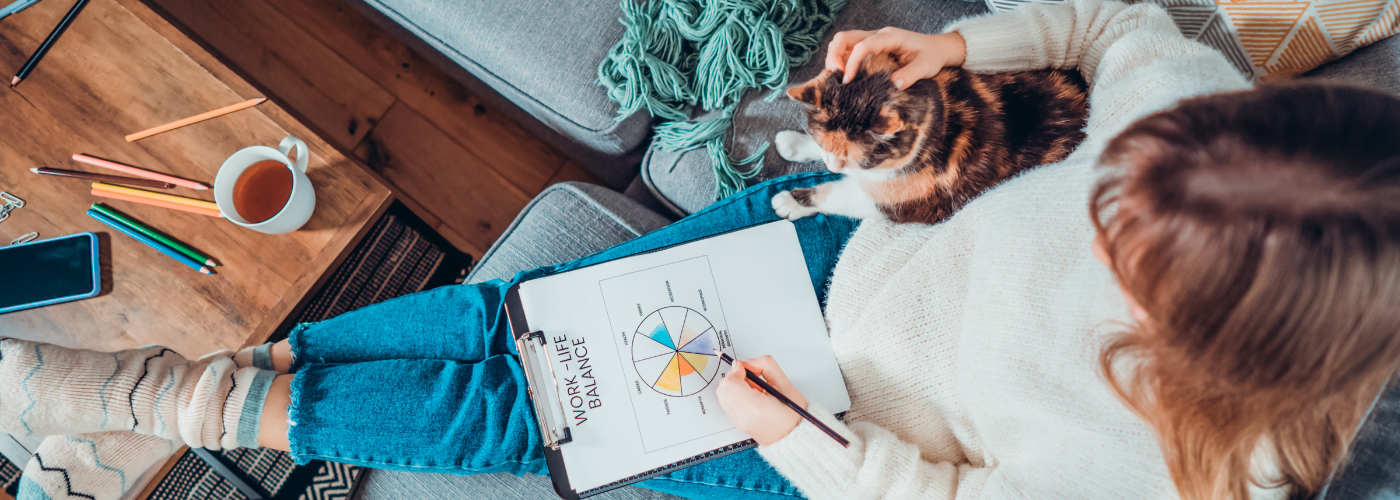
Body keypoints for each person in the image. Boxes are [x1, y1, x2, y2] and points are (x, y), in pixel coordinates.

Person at [4, 0, 1399, 499]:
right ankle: (201, 397)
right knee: (530, 319)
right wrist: (960, 53)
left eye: (1123, 253)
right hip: (819, 244)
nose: (1092, 198)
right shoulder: (1198, 131)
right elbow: (1110, 36)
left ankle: (165, 404)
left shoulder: (1183, 476)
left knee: (518, 399)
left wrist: (781, 431)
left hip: (824, 420)